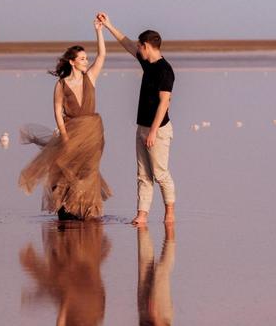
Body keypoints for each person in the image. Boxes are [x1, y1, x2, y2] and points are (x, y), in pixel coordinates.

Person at [19, 19, 112, 221]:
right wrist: (64, 135)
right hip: (71, 131)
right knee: (66, 168)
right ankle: (66, 206)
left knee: (88, 170)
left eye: (86, 58)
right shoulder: (61, 85)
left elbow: (103, 55)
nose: (86, 61)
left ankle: (87, 209)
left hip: (92, 132)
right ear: (72, 62)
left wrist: (99, 31)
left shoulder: (91, 77)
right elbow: (57, 110)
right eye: (82, 58)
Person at [97, 13, 175, 227]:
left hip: (158, 130)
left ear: (147, 46)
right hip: (142, 126)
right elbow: (126, 43)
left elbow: (164, 102)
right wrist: (109, 25)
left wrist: (152, 132)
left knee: (160, 174)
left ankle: (169, 212)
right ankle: (142, 214)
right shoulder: (147, 62)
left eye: (140, 46)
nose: (137, 49)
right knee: (143, 174)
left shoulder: (165, 70)